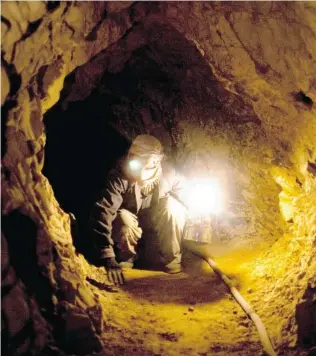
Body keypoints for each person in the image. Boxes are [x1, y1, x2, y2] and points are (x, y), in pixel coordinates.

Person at [89, 135, 187, 285]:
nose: (140, 170)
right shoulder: (120, 175)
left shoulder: (169, 174)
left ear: (156, 161)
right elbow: (104, 210)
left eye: (146, 164)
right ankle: (126, 263)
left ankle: (172, 263)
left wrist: (204, 217)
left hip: (154, 227)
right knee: (123, 217)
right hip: (129, 228)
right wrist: (107, 255)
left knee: (173, 206)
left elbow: (189, 196)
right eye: (136, 164)